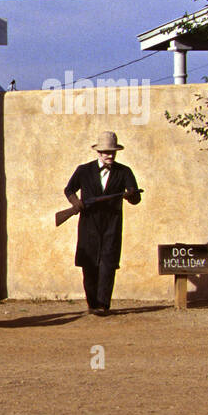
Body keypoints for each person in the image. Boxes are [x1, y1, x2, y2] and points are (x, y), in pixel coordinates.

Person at [64, 131, 142, 315]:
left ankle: (103, 306)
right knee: (89, 264)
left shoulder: (124, 171)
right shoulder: (83, 170)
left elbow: (136, 197)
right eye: (106, 152)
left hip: (112, 224)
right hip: (88, 223)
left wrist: (131, 195)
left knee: (108, 264)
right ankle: (92, 304)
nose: (110, 155)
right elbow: (69, 189)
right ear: (98, 152)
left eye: (113, 152)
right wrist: (76, 204)